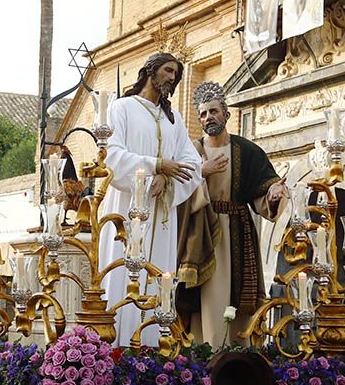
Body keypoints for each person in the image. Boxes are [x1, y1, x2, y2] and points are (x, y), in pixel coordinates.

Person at [98, 53, 202, 348]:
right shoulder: (122, 108)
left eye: (176, 74)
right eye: (168, 70)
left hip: (160, 215)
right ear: (149, 71)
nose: (172, 77)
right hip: (127, 211)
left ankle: (154, 352)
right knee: (121, 276)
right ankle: (116, 348)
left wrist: (167, 178)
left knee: (158, 279)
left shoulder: (174, 119)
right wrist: (156, 164)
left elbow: (192, 164)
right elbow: (112, 155)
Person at [176, 80, 284, 347]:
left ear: (226, 113)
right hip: (201, 233)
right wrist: (201, 174)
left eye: (213, 111)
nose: (208, 117)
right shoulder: (191, 151)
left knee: (237, 293)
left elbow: (264, 184)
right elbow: (177, 191)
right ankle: (205, 350)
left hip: (238, 230)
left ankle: (240, 351)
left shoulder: (247, 151)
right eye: (202, 113)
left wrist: (271, 195)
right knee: (207, 296)